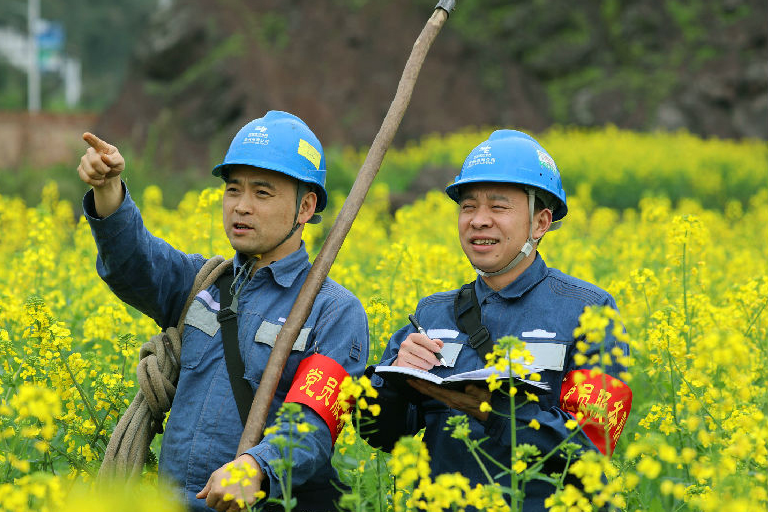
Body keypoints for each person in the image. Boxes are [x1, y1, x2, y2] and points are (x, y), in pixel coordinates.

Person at [78, 110, 369, 512]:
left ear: (306, 207)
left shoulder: (334, 311)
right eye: (234, 190)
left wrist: (255, 466)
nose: (241, 207)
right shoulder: (201, 282)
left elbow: (312, 423)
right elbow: (134, 264)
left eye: (262, 193)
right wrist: (108, 190)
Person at [361, 129, 632, 510]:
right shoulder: (432, 313)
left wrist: (493, 411)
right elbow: (381, 434)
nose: (478, 221)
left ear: (540, 223)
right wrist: (393, 381)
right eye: (468, 206)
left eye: (498, 207)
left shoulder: (591, 311)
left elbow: (593, 443)